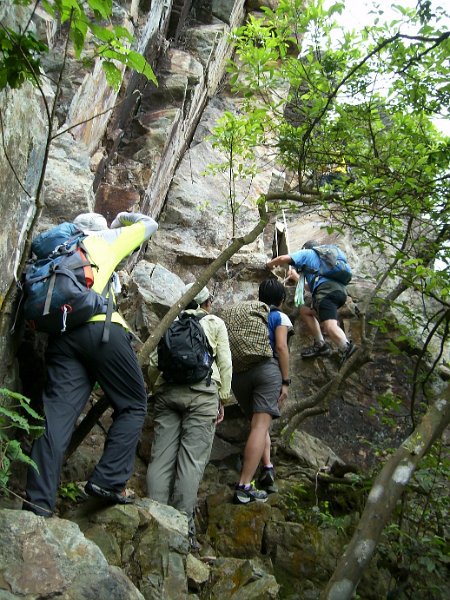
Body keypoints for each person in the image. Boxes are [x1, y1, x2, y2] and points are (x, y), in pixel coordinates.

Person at [24, 211, 158, 517]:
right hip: (101, 330)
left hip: (62, 338)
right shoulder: (102, 241)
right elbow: (150, 224)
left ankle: (36, 505)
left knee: (55, 421)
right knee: (134, 403)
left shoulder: (56, 252)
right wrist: (122, 219)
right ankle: (109, 480)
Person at [146, 284, 232, 549]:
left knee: (160, 458)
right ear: (206, 303)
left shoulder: (170, 321)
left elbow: (152, 362)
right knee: (191, 462)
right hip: (202, 395)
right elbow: (225, 364)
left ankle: (153, 522)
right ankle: (182, 529)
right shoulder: (214, 322)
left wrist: (157, 388)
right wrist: (223, 398)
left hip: (168, 393)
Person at [232, 279, 292, 505]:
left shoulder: (253, 315)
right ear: (282, 300)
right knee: (260, 425)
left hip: (239, 375)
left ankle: (267, 468)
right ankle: (244, 486)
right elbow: (281, 347)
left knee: (258, 424)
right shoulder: (279, 316)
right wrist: (285, 381)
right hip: (266, 371)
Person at [266, 240, 356, 363]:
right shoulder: (324, 262)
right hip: (339, 292)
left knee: (329, 325)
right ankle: (321, 345)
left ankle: (346, 347)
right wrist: (297, 278)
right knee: (305, 311)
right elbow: (312, 287)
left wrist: (268, 265)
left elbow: (283, 258)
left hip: (326, 293)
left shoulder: (308, 253)